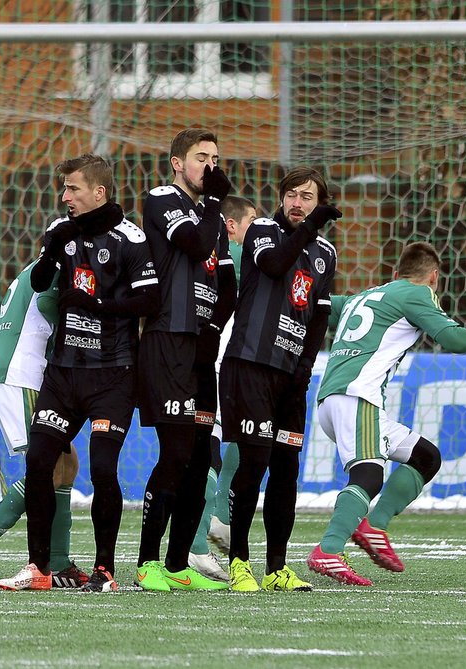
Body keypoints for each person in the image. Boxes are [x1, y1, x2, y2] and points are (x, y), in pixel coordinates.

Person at [0, 154, 158, 593]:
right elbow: (40, 281)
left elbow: (148, 302)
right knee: (39, 461)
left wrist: (97, 306)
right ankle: (39, 567)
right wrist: (51, 246)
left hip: (113, 375)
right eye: (64, 189)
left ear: (98, 193)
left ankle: (105, 570)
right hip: (63, 373)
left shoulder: (130, 237)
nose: (65, 197)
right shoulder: (60, 231)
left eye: (73, 189)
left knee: (102, 468)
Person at [307, 242, 466, 586]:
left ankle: (374, 527)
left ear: (395, 274)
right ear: (434, 278)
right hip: (357, 397)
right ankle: (329, 549)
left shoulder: (363, 297)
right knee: (368, 476)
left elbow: (319, 306)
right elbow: (454, 339)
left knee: (425, 457)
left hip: (332, 400)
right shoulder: (418, 293)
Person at [219, 168, 340, 592]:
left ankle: (276, 568)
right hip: (250, 364)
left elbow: (320, 314)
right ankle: (239, 563)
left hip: (290, 377)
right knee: (253, 462)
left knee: (286, 469)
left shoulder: (325, 252)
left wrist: (304, 370)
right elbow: (273, 265)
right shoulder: (263, 231)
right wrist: (309, 225)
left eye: (308, 197)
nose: (297, 203)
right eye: (292, 194)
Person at [133, 128, 235, 592]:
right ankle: (146, 561)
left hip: (199, 347)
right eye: (200, 157)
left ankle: (178, 564)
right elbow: (193, 245)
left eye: (215, 159)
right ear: (177, 162)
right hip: (167, 338)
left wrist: (213, 328)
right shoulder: (163, 199)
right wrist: (214, 203)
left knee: (198, 458)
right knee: (175, 452)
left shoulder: (211, 216)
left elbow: (222, 279)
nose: (209, 166)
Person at [0, 260, 89, 590]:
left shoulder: (42, 263)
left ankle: (59, 562)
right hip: (20, 376)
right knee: (46, 469)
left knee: (67, 465)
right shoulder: (60, 265)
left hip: (27, 376)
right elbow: (57, 311)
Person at [187, 195, 256, 579]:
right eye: (252, 224)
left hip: (201, 356)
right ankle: (198, 543)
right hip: (219, 362)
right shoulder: (233, 252)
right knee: (212, 450)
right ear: (231, 225)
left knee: (224, 444)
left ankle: (218, 521)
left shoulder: (202, 251)